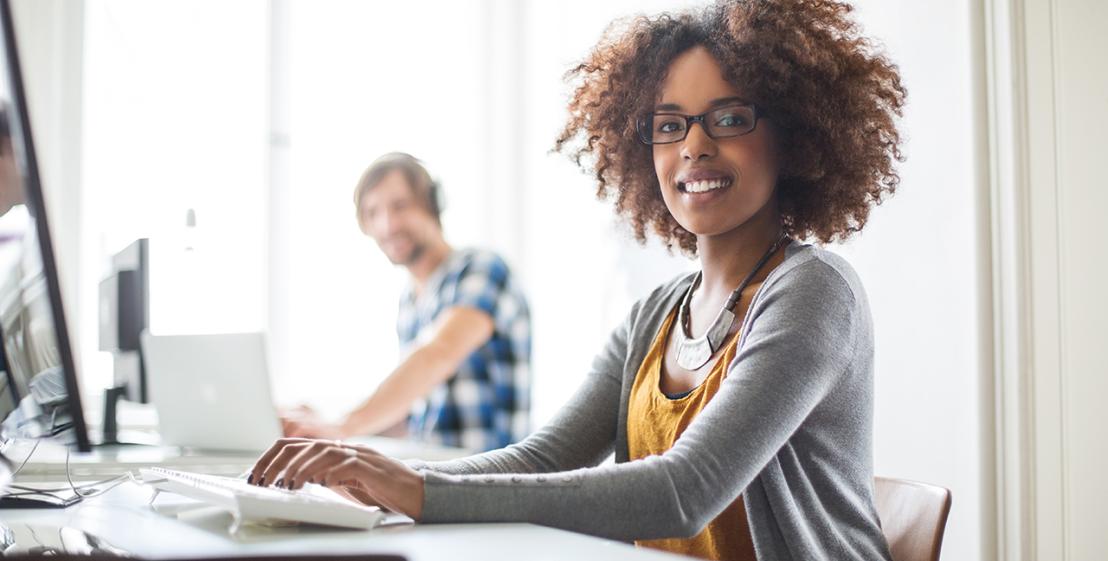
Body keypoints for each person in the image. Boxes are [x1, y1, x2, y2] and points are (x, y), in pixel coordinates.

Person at [251, 1, 905, 559]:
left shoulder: (814, 291)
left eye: (729, 118)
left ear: (792, 137)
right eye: (669, 125)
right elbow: (541, 458)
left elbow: (685, 489)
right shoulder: (655, 315)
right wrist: (384, 477)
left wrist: (419, 491)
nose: (694, 146)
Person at [281, 152, 532, 452]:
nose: (387, 225)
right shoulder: (410, 301)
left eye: (400, 206)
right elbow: (410, 417)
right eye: (373, 213)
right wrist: (322, 423)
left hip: (491, 481)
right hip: (435, 475)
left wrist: (344, 425)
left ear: (432, 204)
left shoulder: (480, 269)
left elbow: (438, 353)